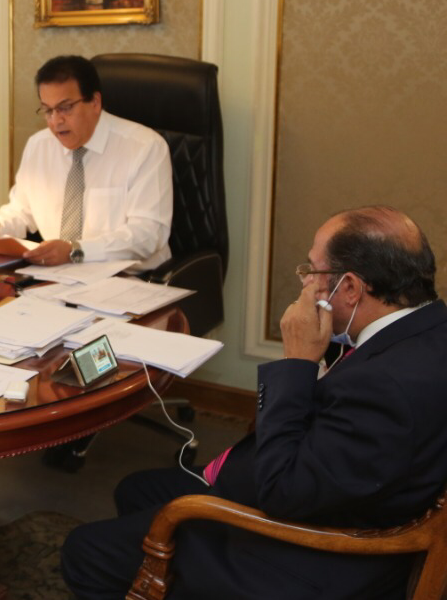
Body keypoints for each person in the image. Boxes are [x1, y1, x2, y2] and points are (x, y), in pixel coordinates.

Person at [62, 206, 447, 600]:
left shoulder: (386, 387)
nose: (306, 284)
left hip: (315, 559)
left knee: (84, 551)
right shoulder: (428, 329)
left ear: (349, 288)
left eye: (312, 271)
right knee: (136, 490)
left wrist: (298, 362)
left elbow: (283, 491)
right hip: (341, 493)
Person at [0, 55, 173, 270]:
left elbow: (148, 235)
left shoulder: (145, 147)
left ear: (95, 102)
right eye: (48, 110)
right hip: (58, 275)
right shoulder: (39, 146)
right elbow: (21, 211)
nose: (56, 121)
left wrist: (76, 251)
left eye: (65, 108)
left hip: (129, 277)